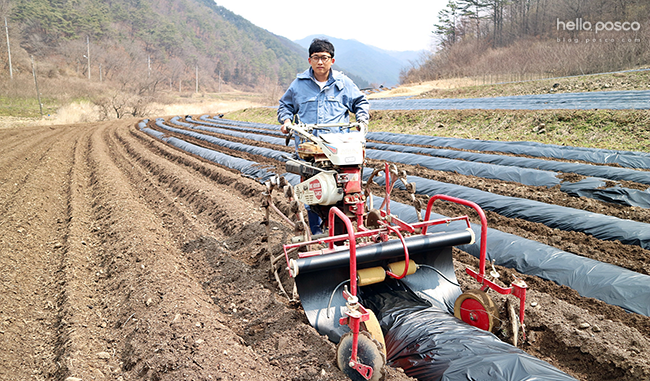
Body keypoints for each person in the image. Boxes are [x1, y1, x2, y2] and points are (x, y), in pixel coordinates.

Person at [277, 38, 370, 235]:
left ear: (332, 61)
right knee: (313, 191)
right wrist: (286, 121)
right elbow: (285, 106)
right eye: (316, 58)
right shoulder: (299, 85)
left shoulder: (344, 84)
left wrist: (362, 120)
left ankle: (343, 233)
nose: (320, 62)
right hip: (310, 150)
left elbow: (361, 102)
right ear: (309, 60)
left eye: (325, 58)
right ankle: (316, 231)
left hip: (339, 149)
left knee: (346, 191)